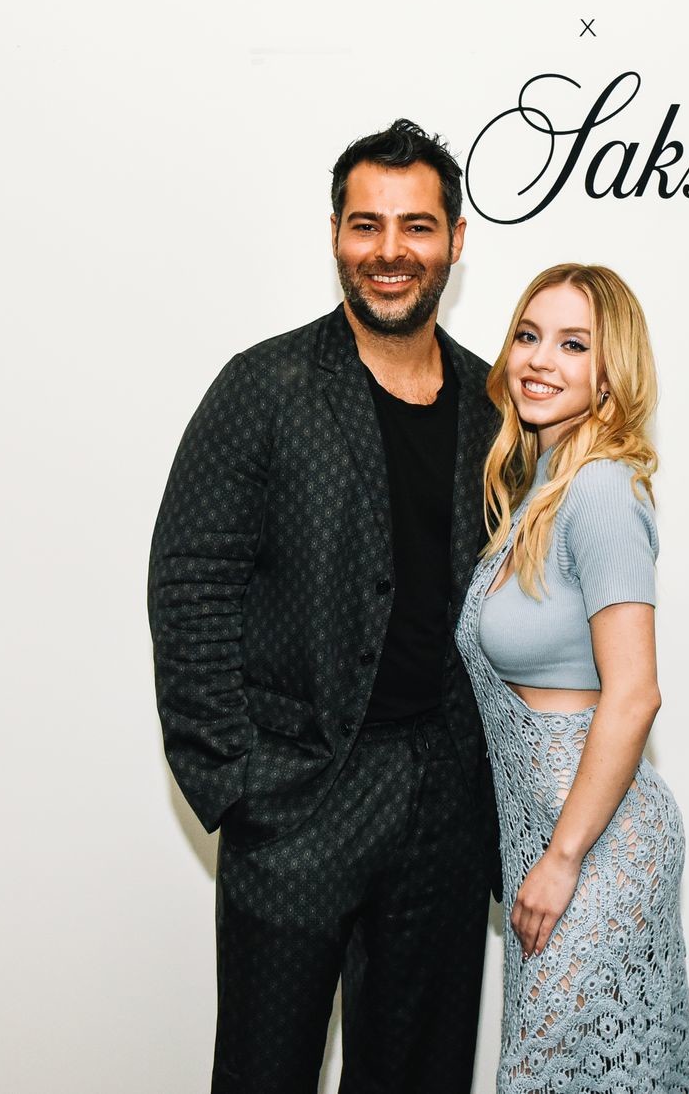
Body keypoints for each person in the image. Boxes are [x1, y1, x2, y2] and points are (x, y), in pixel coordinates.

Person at [148, 119, 499, 1094]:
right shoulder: (265, 387)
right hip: (297, 799)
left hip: (443, 811)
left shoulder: (496, 405)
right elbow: (191, 581)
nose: (390, 250)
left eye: (416, 226)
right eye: (366, 224)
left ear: (455, 240)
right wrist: (238, 783)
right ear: (336, 234)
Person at [456, 264, 689, 1093]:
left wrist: (563, 858)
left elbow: (635, 694)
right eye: (529, 336)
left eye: (572, 344)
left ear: (610, 371)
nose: (539, 359)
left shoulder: (599, 488)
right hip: (552, 839)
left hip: (597, 846)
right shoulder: (540, 488)